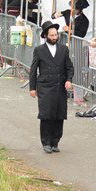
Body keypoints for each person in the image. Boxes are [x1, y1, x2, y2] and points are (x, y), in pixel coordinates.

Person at [29, 21, 74, 154]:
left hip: (60, 87)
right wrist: (32, 88)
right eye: (52, 35)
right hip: (45, 87)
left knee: (59, 115)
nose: (55, 37)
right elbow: (33, 70)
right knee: (46, 115)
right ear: (45, 36)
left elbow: (69, 67)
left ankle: (55, 142)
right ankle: (46, 142)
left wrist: (69, 80)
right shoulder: (39, 50)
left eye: (56, 35)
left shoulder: (63, 49)